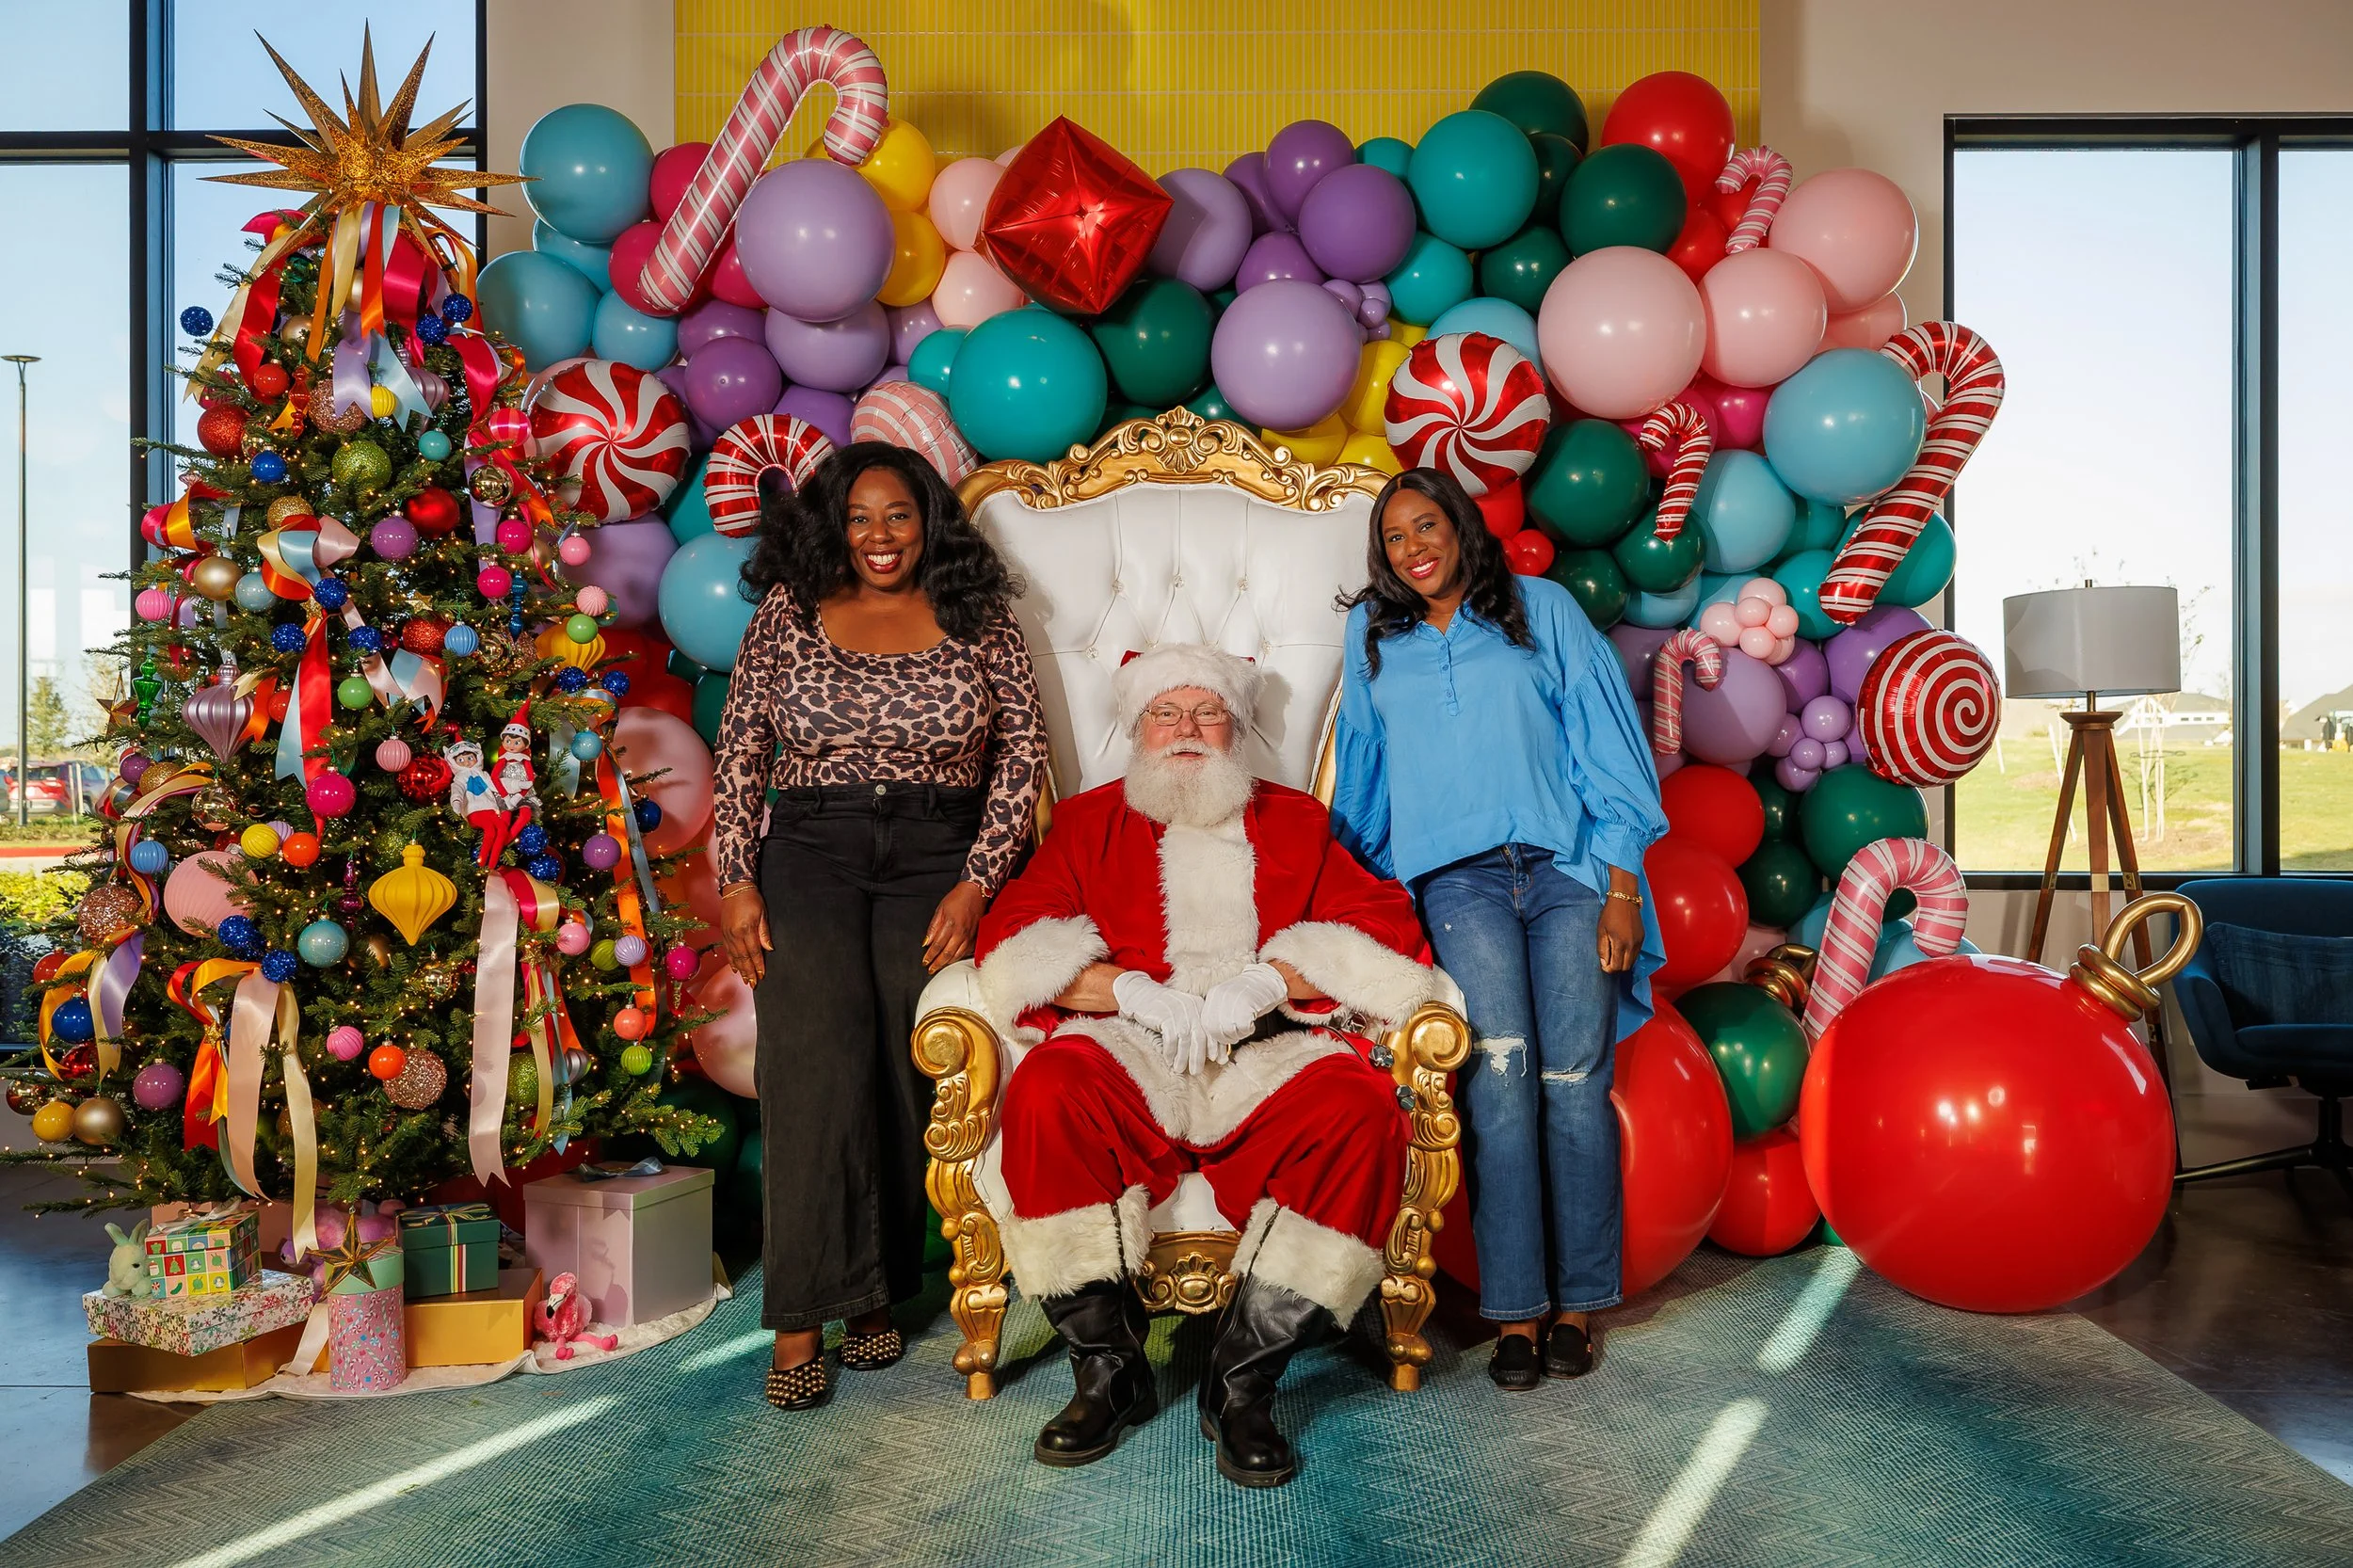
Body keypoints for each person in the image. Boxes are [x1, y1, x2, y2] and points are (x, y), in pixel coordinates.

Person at [972, 642, 1440, 1489]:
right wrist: (1131, 992)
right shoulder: (1086, 822)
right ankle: (1108, 1374)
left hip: (1266, 1052)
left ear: (1236, 727)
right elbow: (1014, 941)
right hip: (1130, 1048)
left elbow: (1377, 926)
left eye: (1207, 713)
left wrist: (1272, 980)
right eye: (1165, 713)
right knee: (1046, 1089)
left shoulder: (1295, 821)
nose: (1186, 729)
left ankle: (1241, 1385)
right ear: (1137, 727)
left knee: (1360, 1109)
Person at [712, 441, 1046, 1412]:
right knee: (814, 1067)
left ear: (928, 519)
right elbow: (742, 742)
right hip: (811, 847)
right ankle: (800, 1320)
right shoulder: (790, 611)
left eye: (897, 514)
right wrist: (736, 880)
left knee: (911, 1070)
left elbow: (1023, 748)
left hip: (939, 854)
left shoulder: (976, 611)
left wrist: (978, 882)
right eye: (859, 517)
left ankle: (872, 1297)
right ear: (835, 526)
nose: (879, 535)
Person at [1331, 468, 1668, 1393]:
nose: (1413, 548)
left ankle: (1579, 1306)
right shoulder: (1372, 633)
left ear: (1460, 526)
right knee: (1500, 1083)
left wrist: (1622, 888)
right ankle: (1516, 1312)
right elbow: (1364, 770)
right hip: (1457, 882)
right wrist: (1350, 896)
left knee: (1574, 1083)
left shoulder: (1541, 609)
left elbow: (1608, 746)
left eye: (1426, 526)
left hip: (1566, 871)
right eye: (1394, 536)